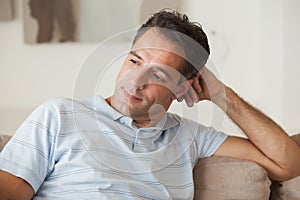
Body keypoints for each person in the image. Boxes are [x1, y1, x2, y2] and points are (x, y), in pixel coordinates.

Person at [0, 9, 300, 199]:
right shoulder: (59, 115)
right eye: (134, 60)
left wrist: (222, 94)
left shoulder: (189, 137)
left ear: (182, 87)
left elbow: (288, 164)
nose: (135, 80)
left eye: (158, 73)